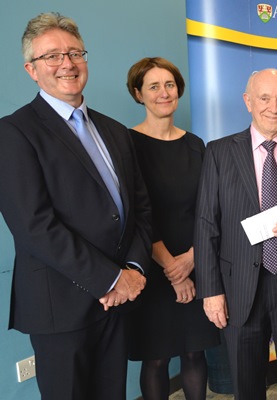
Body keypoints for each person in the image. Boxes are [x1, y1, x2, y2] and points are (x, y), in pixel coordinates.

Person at [0, 12, 151, 400]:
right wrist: (112, 279)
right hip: (60, 309)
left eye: (75, 53)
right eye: (52, 56)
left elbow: (139, 210)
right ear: (32, 70)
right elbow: (34, 226)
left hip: (116, 305)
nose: (67, 63)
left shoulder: (115, 130)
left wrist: (132, 270)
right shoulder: (14, 133)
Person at [195, 68, 277, 400]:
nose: (273, 107)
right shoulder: (219, 152)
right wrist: (211, 291)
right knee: (246, 385)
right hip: (239, 288)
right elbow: (206, 224)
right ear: (248, 101)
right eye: (264, 98)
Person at [126, 57, 219, 400]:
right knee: (156, 358)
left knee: (195, 352)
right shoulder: (127, 144)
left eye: (169, 85)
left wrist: (193, 260)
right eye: (153, 86)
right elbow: (134, 214)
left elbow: (210, 209)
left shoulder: (197, 145)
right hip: (151, 268)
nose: (163, 93)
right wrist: (173, 268)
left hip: (197, 261)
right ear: (138, 94)